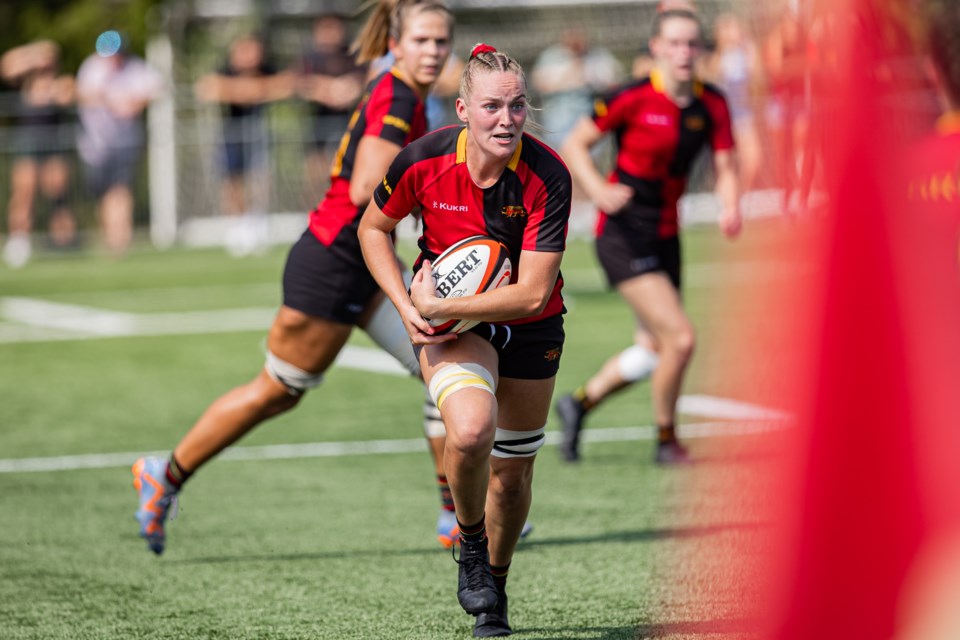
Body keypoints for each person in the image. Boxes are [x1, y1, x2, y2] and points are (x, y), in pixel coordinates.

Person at [132, 0, 458, 555]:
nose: (432, 51)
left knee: (444, 361)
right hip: (335, 261)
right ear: (396, 44)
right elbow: (364, 190)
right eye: (422, 40)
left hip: (361, 262)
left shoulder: (407, 95)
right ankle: (165, 471)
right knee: (277, 390)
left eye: (441, 42)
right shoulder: (398, 94)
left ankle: (457, 516)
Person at [358, 43, 572, 637]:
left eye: (518, 106)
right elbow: (372, 227)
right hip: (452, 329)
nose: (507, 119)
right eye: (492, 106)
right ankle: (470, 545)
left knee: (513, 477)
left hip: (530, 328)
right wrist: (406, 307)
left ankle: (496, 587)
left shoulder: (548, 175)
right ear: (462, 110)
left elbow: (531, 294)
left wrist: (441, 304)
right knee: (472, 431)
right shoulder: (421, 161)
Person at [554, 8, 741, 465]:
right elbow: (574, 145)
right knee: (680, 339)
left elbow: (725, 162)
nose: (684, 52)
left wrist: (730, 202)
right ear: (656, 48)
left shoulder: (711, 103)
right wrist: (597, 190)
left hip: (666, 235)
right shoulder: (632, 97)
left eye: (692, 44)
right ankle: (666, 441)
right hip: (622, 235)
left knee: (654, 348)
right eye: (674, 43)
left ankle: (578, 404)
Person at [194, 33, 294, 257]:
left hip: (258, 134)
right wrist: (250, 90)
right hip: (231, 134)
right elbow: (208, 88)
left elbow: (287, 84)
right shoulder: (224, 69)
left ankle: (256, 223)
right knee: (232, 181)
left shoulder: (268, 68)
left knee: (260, 177)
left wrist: (252, 89)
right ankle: (237, 226)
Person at [75, 31, 164, 256]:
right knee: (103, 193)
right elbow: (82, 93)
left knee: (120, 189)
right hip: (95, 144)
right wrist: (107, 99)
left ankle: (120, 239)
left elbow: (156, 88)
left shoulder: (134, 68)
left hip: (124, 141)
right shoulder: (92, 67)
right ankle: (110, 237)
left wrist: (136, 101)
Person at [1, 40, 77, 268]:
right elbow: (7, 65)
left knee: (59, 196)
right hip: (28, 144)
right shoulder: (26, 82)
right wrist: (33, 54)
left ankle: (64, 242)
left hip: (53, 145)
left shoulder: (60, 82)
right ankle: (19, 240)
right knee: (24, 195)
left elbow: (69, 94)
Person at [295, 14, 365, 207]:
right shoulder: (310, 58)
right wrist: (327, 90)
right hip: (317, 124)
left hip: (349, 122)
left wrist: (350, 88)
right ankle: (314, 210)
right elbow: (298, 83)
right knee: (316, 171)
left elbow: (364, 79)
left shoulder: (353, 55)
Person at [530, 26, 625, 152]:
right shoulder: (552, 57)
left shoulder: (598, 56)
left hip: (589, 117)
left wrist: (592, 80)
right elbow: (539, 83)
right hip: (559, 119)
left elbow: (615, 79)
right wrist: (568, 79)